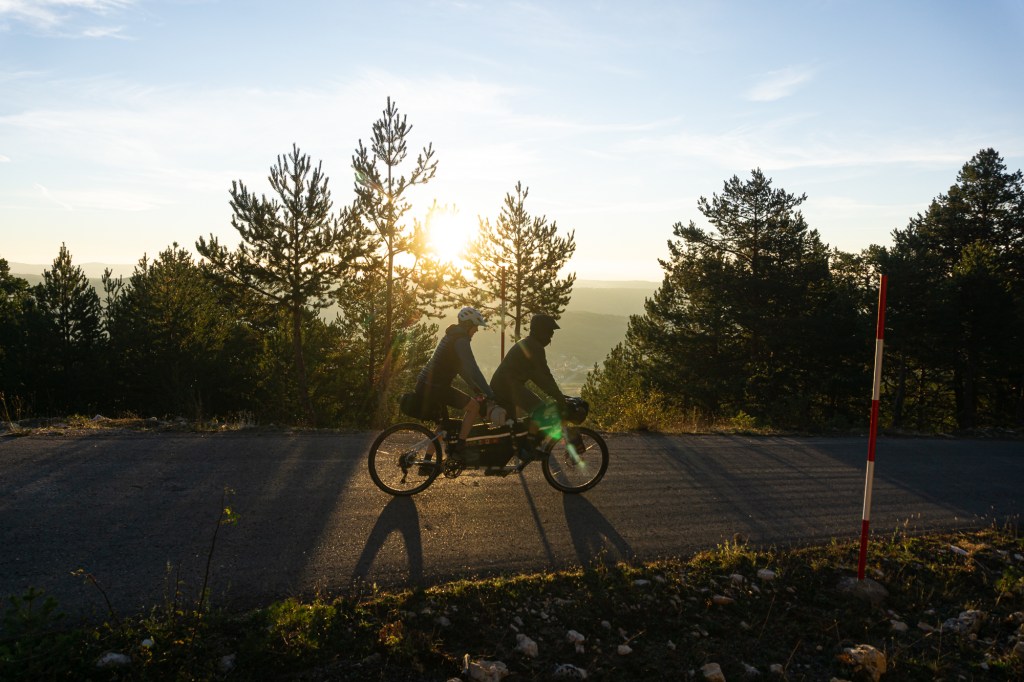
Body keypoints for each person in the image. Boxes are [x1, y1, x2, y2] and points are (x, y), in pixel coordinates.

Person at [413, 306, 497, 458]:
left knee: (443, 426)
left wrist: (477, 389)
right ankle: (460, 447)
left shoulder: (452, 336)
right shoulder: (461, 341)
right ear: (468, 325)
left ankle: (427, 462)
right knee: (474, 407)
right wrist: (490, 393)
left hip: (427, 385)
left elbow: (462, 370)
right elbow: (473, 369)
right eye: (475, 326)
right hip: (436, 387)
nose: (477, 330)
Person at [489, 313, 567, 450]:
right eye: (550, 331)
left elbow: (541, 376)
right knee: (540, 409)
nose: (551, 336)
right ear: (542, 331)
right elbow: (543, 376)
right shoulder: (534, 347)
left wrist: (557, 394)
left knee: (512, 427)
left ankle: (514, 452)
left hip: (503, 385)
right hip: (508, 386)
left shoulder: (528, 343)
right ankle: (529, 446)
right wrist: (559, 397)